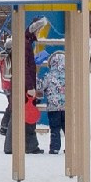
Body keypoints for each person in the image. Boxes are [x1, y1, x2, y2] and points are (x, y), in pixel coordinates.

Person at [0, 22, 41, 155]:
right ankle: (26, 146)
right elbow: (24, 68)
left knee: (18, 114)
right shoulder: (25, 45)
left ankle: (15, 145)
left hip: (19, 86)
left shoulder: (25, 43)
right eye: (39, 30)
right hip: (22, 86)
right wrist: (29, 87)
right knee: (24, 115)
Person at [36, 25, 66, 156]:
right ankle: (70, 147)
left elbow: (41, 87)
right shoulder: (69, 75)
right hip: (66, 108)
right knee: (68, 128)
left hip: (53, 108)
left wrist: (37, 77)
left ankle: (54, 148)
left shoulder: (49, 75)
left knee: (55, 128)